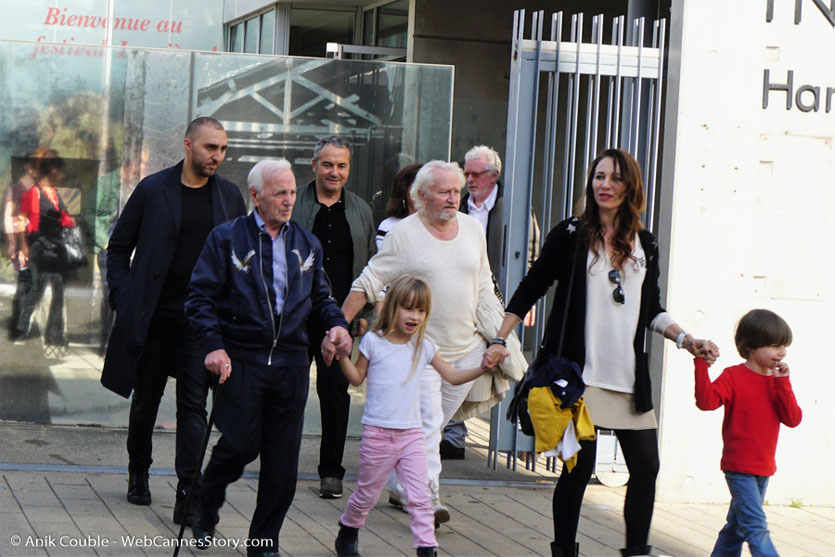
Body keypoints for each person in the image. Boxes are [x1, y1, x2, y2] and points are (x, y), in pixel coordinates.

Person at [486, 148, 717, 557]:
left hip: (628, 379)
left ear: (631, 186)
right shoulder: (572, 233)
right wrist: (500, 337)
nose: (604, 185)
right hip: (580, 379)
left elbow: (651, 308)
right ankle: (564, 552)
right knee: (578, 471)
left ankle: (637, 551)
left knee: (647, 469)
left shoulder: (645, 242)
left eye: (614, 178)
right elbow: (533, 284)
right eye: (598, 177)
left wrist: (686, 340)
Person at [332, 160, 525, 526]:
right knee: (426, 426)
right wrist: (337, 326)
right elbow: (368, 281)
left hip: (465, 347)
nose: (455, 197)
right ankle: (428, 498)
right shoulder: (404, 234)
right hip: (418, 352)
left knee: (429, 429)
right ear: (421, 196)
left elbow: (484, 285)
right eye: (445, 191)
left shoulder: (471, 229)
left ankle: (399, 483)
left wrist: (499, 337)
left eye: (457, 190)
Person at [185, 159, 351, 555]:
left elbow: (321, 298)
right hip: (241, 358)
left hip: (292, 363)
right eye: (280, 192)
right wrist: (213, 345)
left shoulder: (306, 244)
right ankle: (206, 499)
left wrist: (336, 326)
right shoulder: (226, 239)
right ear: (256, 196)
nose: (289, 200)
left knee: (282, 465)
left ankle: (263, 544)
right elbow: (199, 298)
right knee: (240, 445)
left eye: (293, 191)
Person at [102, 117, 246, 525]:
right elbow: (118, 248)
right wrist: (124, 297)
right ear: (188, 145)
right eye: (209, 148)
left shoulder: (230, 197)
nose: (217, 156)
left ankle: (188, 489)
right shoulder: (153, 189)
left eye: (222, 148)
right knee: (145, 399)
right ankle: (139, 471)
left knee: (193, 406)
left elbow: (241, 262)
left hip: (201, 322)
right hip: (153, 316)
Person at [333, 275, 494, 557]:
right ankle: (348, 529)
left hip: (412, 437)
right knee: (366, 495)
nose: (414, 316)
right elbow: (357, 378)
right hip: (378, 435)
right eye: (408, 308)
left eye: (421, 310)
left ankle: (426, 548)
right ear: (393, 307)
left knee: (420, 498)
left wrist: (482, 367)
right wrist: (342, 356)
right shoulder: (373, 342)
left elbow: (453, 376)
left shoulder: (425, 347)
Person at [441, 145, 540, 461]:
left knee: (508, 364)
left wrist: (527, 303)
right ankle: (454, 438)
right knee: (460, 360)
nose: (469, 179)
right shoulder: (458, 207)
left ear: (494, 175)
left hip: (504, 302)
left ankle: (513, 438)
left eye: (476, 174)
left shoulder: (513, 207)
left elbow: (532, 253)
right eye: (466, 173)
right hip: (462, 298)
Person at [291, 135, 376, 500]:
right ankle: (281, 461)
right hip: (295, 316)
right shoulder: (294, 203)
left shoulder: (360, 211)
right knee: (288, 392)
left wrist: (365, 314)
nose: (334, 172)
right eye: (327, 164)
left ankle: (331, 472)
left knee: (335, 393)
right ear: (314, 166)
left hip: (339, 318)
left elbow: (371, 264)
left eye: (341, 165)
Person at [694, 309, 802, 557]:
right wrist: (701, 365)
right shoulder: (733, 376)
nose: (782, 352)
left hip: (764, 469)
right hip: (739, 468)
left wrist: (783, 384)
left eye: (784, 346)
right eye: (775, 346)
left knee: (737, 529)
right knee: (756, 528)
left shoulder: (777, 382)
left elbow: (793, 419)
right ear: (751, 346)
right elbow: (706, 401)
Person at [14, 152, 75, 347]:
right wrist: (23, 245)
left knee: (58, 289)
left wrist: (68, 221)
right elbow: (22, 219)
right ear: (54, 170)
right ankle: (22, 330)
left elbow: (65, 218)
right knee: (34, 291)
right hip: (37, 248)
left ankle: (54, 334)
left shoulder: (56, 195)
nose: (63, 176)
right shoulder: (34, 192)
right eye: (61, 172)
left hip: (55, 250)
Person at [375, 163, 421, 250]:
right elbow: (385, 261)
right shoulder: (389, 226)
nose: (418, 191)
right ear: (403, 190)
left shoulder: (440, 226)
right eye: (414, 186)